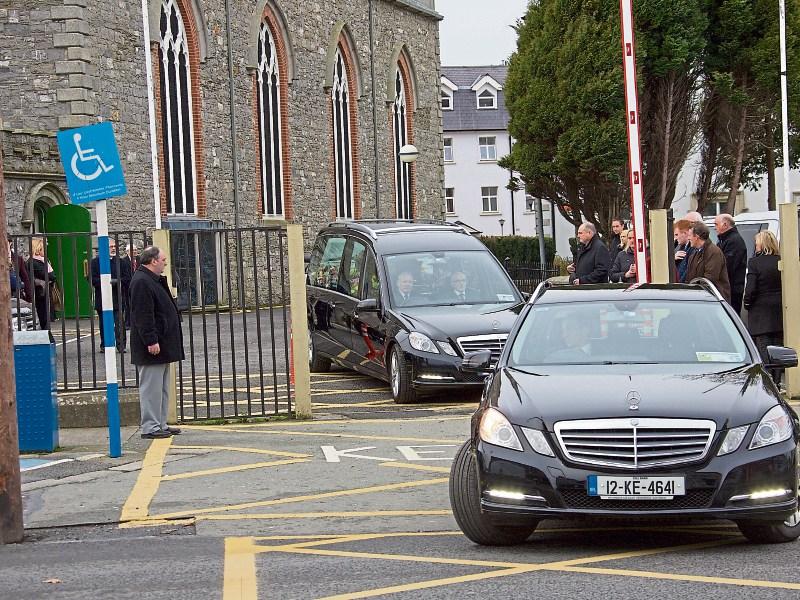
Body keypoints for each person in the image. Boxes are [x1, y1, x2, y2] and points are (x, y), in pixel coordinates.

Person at [129, 246, 184, 439]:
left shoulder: (151, 280)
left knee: (161, 387)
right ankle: (150, 426)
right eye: (163, 260)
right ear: (153, 261)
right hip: (152, 345)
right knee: (151, 387)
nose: (165, 263)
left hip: (162, 343)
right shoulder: (142, 282)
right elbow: (143, 315)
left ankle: (159, 423)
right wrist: (151, 340)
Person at [743, 231, 783, 383]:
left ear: (762, 244)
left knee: (763, 349)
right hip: (779, 311)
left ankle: (768, 381)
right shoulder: (780, 261)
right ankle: (777, 381)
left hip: (760, 313)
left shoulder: (755, 263)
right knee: (779, 350)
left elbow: (751, 288)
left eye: (757, 242)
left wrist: (747, 303)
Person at [90, 238, 131, 353]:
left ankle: (121, 345)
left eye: (114, 246)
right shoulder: (95, 262)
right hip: (102, 297)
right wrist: (105, 282)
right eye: (111, 247)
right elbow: (92, 279)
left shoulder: (120, 262)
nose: (113, 249)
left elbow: (127, 278)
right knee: (104, 323)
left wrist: (116, 282)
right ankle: (105, 344)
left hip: (117, 297)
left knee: (119, 323)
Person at [685, 222, 731, 302]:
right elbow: (689, 277)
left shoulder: (714, 252)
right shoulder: (695, 253)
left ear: (697, 237)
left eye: (690, 235)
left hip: (713, 300)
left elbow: (710, 279)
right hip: (700, 298)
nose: (688, 238)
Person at [715, 213, 747, 313]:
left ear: (725, 224)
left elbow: (728, 266)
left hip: (732, 289)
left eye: (716, 224)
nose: (714, 227)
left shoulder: (734, 241)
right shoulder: (724, 240)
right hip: (727, 288)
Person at [28, 236, 57, 338]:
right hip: (40, 295)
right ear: (38, 248)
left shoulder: (43, 261)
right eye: (43, 247)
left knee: (46, 320)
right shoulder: (34, 262)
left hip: (45, 294)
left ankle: (48, 339)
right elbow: (51, 276)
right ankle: (47, 340)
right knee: (43, 319)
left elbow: (52, 277)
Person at [121, 242, 141, 329]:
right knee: (128, 304)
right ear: (127, 252)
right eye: (133, 250)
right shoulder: (124, 261)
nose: (135, 252)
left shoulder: (140, 260)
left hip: (139, 285)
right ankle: (128, 323)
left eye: (136, 250)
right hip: (128, 286)